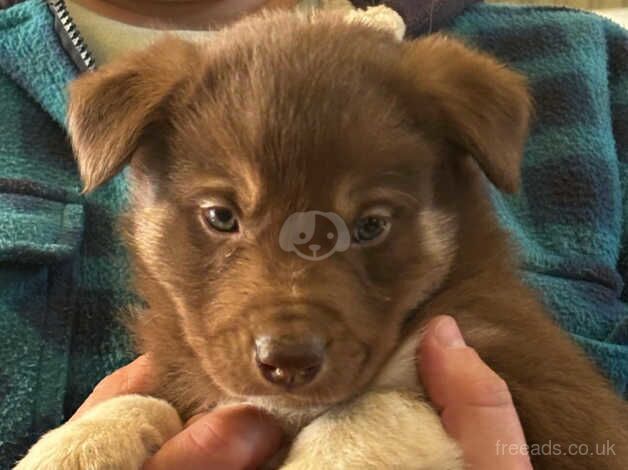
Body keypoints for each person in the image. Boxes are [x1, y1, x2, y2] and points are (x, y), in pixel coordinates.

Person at [0, 0, 625, 468]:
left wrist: (384, 425)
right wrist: (126, 424)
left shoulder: (585, 67)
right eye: (223, 217)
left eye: (371, 225)